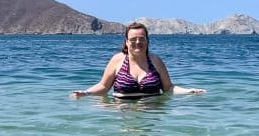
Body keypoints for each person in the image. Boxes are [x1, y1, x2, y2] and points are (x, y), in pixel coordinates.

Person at [70, 22, 206, 98]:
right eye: (133, 39)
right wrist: (85, 93)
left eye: (142, 39)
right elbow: (104, 87)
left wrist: (189, 91)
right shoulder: (117, 60)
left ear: (147, 41)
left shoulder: (156, 61)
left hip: (151, 116)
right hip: (123, 115)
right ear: (127, 42)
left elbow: (168, 88)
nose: (137, 42)